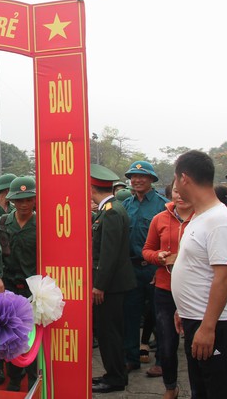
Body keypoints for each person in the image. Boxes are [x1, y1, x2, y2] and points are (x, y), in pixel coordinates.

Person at [171, 150, 227, 398]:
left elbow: (224, 277)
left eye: (174, 179)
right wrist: (183, 308)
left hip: (220, 325)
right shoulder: (200, 217)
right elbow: (197, 268)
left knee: (224, 390)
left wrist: (208, 326)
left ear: (184, 178)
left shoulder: (219, 220)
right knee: (203, 390)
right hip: (198, 319)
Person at [142, 178, 194, 399]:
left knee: (195, 344)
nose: (179, 195)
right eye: (175, 190)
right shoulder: (159, 219)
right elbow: (147, 249)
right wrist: (158, 257)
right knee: (166, 342)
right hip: (165, 288)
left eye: (184, 191)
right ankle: (171, 387)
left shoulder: (203, 218)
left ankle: (200, 389)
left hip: (195, 290)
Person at [90, 164, 135, 394]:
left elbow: (109, 254)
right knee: (109, 332)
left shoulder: (111, 211)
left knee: (110, 333)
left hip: (111, 285)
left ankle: (115, 378)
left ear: (91, 187)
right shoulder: (109, 208)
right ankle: (113, 373)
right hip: (112, 283)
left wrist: (99, 285)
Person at [121, 160, 168, 375]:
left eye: (142, 177)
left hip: (155, 269)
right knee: (130, 316)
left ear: (151, 179)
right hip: (131, 269)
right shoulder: (125, 206)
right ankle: (131, 358)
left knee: (160, 316)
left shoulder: (163, 205)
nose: (137, 180)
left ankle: (163, 361)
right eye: (133, 177)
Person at [0, 176, 37, 392]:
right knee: (9, 336)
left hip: (33, 289)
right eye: (19, 200)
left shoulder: (42, 223)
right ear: (11, 201)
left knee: (32, 336)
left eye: (28, 199)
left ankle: (33, 378)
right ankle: (14, 377)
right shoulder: (2, 223)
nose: (23, 204)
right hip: (8, 288)